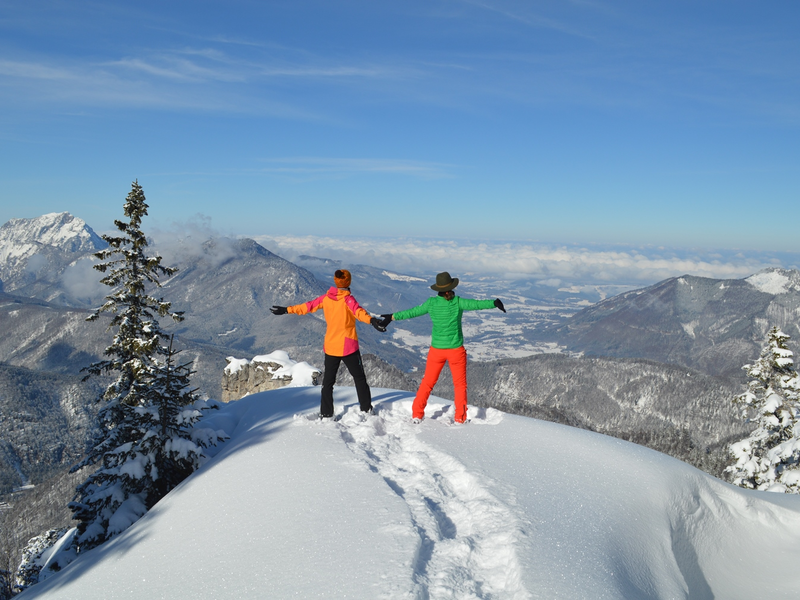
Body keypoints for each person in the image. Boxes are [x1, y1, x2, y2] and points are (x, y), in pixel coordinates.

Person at [379, 271, 505, 424]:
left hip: (436, 351)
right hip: (456, 351)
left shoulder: (431, 303)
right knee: (460, 386)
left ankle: (417, 414)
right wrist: (494, 303)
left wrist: (392, 317)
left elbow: (412, 312)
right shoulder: (457, 302)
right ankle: (460, 418)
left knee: (427, 383)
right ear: (450, 288)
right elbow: (476, 304)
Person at [270, 269, 386, 419]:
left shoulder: (326, 298)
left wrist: (286, 310)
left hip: (331, 346)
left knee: (328, 383)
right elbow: (359, 313)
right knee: (359, 379)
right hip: (348, 347)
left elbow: (307, 307)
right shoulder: (348, 300)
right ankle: (366, 409)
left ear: (336, 282)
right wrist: (372, 321)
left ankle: (326, 413)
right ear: (348, 282)